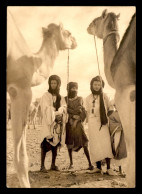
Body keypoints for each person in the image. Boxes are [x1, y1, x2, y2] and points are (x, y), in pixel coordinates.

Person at [85, 76, 117, 175]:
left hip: (103, 123)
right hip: (92, 123)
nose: (97, 86)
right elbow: (87, 111)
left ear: (101, 86)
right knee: (95, 145)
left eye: (99, 85)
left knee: (105, 144)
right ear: (91, 85)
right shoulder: (88, 98)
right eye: (95, 84)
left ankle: (108, 168)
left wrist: (106, 116)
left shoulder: (105, 96)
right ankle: (98, 167)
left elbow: (111, 109)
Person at [39, 75, 67, 172]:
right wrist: (55, 114)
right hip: (48, 123)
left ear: (58, 84)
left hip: (58, 123)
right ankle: (42, 166)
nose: (53, 85)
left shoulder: (61, 97)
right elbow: (46, 108)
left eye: (55, 83)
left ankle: (53, 164)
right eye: (52, 83)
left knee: (56, 143)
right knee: (45, 143)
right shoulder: (45, 95)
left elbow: (64, 107)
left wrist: (61, 114)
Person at [65, 82, 94, 170]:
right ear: (68, 89)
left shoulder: (80, 99)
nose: (74, 90)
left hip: (78, 125)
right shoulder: (65, 99)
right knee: (69, 143)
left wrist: (77, 119)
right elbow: (65, 111)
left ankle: (90, 163)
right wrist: (71, 117)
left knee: (84, 143)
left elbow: (84, 111)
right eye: (72, 88)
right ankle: (71, 163)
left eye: (75, 88)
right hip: (69, 124)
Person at [108, 100, 127, 175]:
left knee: (123, 150)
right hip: (117, 134)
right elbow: (112, 125)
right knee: (117, 149)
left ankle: (122, 169)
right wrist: (121, 126)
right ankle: (119, 169)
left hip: (124, 135)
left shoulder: (125, 114)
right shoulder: (112, 115)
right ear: (114, 106)